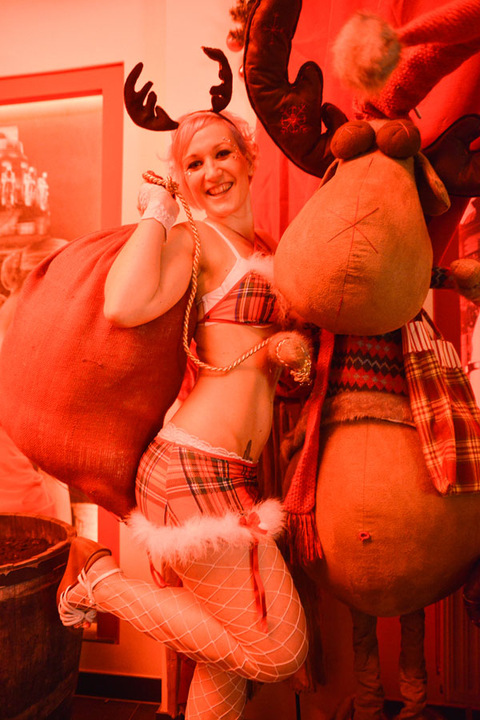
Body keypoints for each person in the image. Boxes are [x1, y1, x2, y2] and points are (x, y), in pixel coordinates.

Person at [56, 109, 309, 720]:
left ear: (248, 158)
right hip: (191, 470)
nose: (212, 171)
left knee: (226, 665)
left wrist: (291, 359)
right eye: (194, 163)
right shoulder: (199, 241)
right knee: (280, 651)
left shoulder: (265, 248)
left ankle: (97, 581)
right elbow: (123, 304)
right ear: (182, 178)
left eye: (222, 154)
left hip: (231, 473)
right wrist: (157, 212)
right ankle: (96, 580)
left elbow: (255, 363)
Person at [0, 237, 72, 520]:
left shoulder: (39, 352)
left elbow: (52, 467)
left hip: (25, 518)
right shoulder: (35, 353)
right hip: (26, 515)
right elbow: (52, 469)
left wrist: (66, 536)